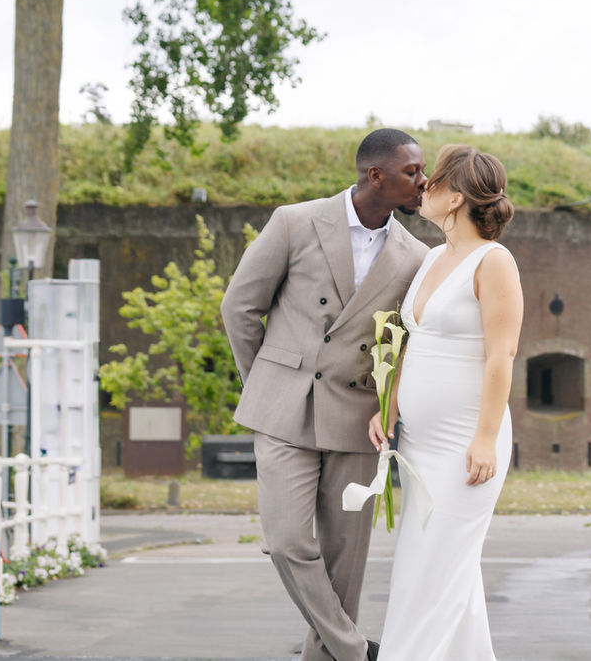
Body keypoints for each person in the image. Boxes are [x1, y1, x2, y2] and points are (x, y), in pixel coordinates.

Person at [220, 128, 428, 661]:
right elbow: (240, 308)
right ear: (374, 175)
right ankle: (355, 649)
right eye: (412, 172)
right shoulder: (295, 221)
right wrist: (266, 384)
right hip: (283, 412)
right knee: (288, 542)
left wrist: (391, 404)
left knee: (344, 564)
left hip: (357, 417)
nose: (423, 182)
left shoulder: (414, 255)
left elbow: (403, 343)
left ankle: (332, 655)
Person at [368, 144, 523, 661]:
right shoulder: (434, 256)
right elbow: (410, 341)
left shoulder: (493, 261)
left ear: (455, 196)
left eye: (432, 180)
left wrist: (484, 438)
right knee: (434, 566)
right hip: (419, 444)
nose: (422, 186)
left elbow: (501, 354)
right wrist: (388, 405)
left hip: (465, 444)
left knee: (435, 571)